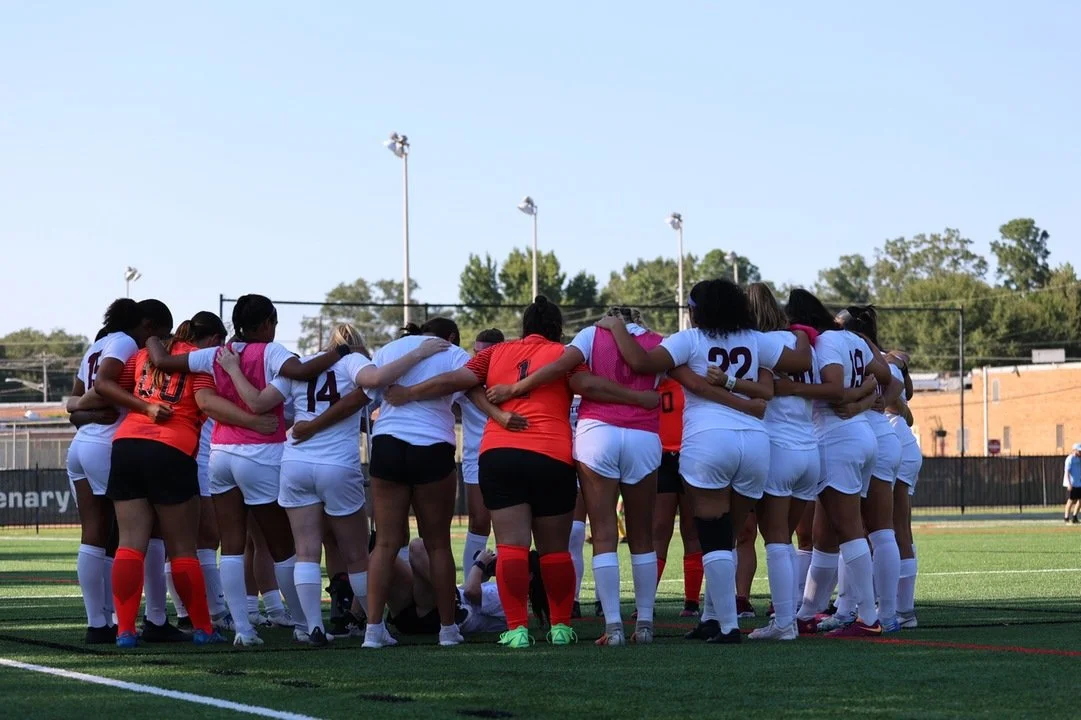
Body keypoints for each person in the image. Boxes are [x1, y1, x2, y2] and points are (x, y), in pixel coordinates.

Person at [390, 297, 657, 649]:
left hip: (501, 455)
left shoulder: (496, 353)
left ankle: (517, 630)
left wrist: (408, 392)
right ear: (557, 329)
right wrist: (637, 398)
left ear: (523, 327)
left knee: (511, 547)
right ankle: (560, 627)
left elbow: (456, 380)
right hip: (552, 455)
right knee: (555, 551)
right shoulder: (565, 354)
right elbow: (587, 386)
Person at [146, 294, 369, 646]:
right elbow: (303, 371)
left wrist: (150, 337)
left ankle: (244, 630)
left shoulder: (217, 353)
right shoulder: (271, 351)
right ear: (267, 322)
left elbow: (162, 360)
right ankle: (304, 624)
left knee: (232, 547)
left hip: (220, 455)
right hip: (262, 453)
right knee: (284, 547)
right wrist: (340, 352)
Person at [596, 279, 812, 644]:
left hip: (708, 441)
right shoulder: (756, 339)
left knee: (713, 536)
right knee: (727, 536)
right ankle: (712, 617)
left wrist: (616, 326)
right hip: (756, 444)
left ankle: (727, 625)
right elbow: (800, 361)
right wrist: (804, 333)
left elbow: (639, 361)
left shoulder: (690, 339)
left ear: (697, 310)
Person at [217, 321, 450, 645]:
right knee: (356, 553)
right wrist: (418, 352)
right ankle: (374, 628)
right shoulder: (352, 361)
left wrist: (233, 371)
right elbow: (376, 380)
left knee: (307, 551)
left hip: (295, 462)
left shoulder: (297, 364)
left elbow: (260, 403)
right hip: (337, 465)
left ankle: (312, 626)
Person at [487, 306, 665, 645]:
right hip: (644, 436)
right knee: (643, 536)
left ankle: (613, 627)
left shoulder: (591, 335)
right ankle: (644, 624)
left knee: (603, 534)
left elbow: (562, 370)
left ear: (609, 319)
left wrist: (514, 389)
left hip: (597, 433)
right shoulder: (661, 342)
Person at [94, 306, 262, 648]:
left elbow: (107, 387)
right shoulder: (200, 360)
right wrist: (252, 421)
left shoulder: (142, 355)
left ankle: (125, 630)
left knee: (130, 544)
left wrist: (78, 404)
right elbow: (208, 403)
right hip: (172, 449)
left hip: (127, 446)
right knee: (184, 547)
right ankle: (202, 627)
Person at [355, 317, 473, 649]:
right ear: (450, 335)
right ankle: (448, 630)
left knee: (385, 544)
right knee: (437, 544)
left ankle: (373, 631)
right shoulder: (453, 352)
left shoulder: (391, 349)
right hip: (433, 446)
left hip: (389, 445)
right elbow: (469, 387)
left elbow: (369, 391)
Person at [786, 289, 896, 638]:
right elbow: (884, 375)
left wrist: (785, 389)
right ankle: (808, 610)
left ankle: (867, 617)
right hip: (859, 437)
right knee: (825, 533)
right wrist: (862, 395)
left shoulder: (825, 343)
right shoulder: (850, 339)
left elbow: (834, 389)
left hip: (837, 440)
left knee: (849, 529)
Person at [742, 283, 821, 640]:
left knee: (774, 538)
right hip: (810, 449)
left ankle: (785, 622)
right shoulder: (801, 342)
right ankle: (787, 616)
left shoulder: (758, 343)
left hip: (779, 448)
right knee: (784, 539)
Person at [64, 299, 143, 643]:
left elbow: (74, 403)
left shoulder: (94, 345)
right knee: (115, 535)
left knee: (94, 534)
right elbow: (103, 386)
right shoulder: (123, 341)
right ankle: (109, 619)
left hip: (82, 445)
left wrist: (83, 408)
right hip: (106, 445)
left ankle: (99, 621)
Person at [828, 306, 904, 633]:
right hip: (884, 438)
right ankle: (881, 613)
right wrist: (880, 399)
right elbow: (897, 381)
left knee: (859, 531)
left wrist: (865, 403)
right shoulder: (875, 352)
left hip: (866, 436)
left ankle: (868, 613)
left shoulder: (851, 344)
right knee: (878, 531)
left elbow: (894, 383)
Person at [652, 377, 704, 618]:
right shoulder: (651, 384)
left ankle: (692, 601)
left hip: (689, 454)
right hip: (660, 458)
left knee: (691, 529)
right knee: (659, 528)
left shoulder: (687, 382)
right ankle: (646, 601)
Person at [459, 329, 507, 576]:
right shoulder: (465, 377)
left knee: (508, 527)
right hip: (475, 457)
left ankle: (506, 592)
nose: (480, 357)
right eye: (478, 353)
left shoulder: (512, 376)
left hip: (506, 454)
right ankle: (470, 590)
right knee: (478, 523)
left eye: (486, 353)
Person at [887, 351, 921, 628]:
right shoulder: (893, 359)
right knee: (900, 529)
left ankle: (896, 609)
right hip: (904, 443)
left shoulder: (875, 359)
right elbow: (906, 413)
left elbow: (900, 407)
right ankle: (903, 610)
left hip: (892, 444)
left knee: (881, 530)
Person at [1064, 444, 1081, 524]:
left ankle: (1074, 517)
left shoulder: (1079, 459)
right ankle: (1066, 517)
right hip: (1072, 483)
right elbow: (1067, 472)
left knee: (1080, 500)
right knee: (1071, 500)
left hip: (1079, 483)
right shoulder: (1070, 459)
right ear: (1074, 450)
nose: (1080, 452)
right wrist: (1069, 484)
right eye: (1079, 450)